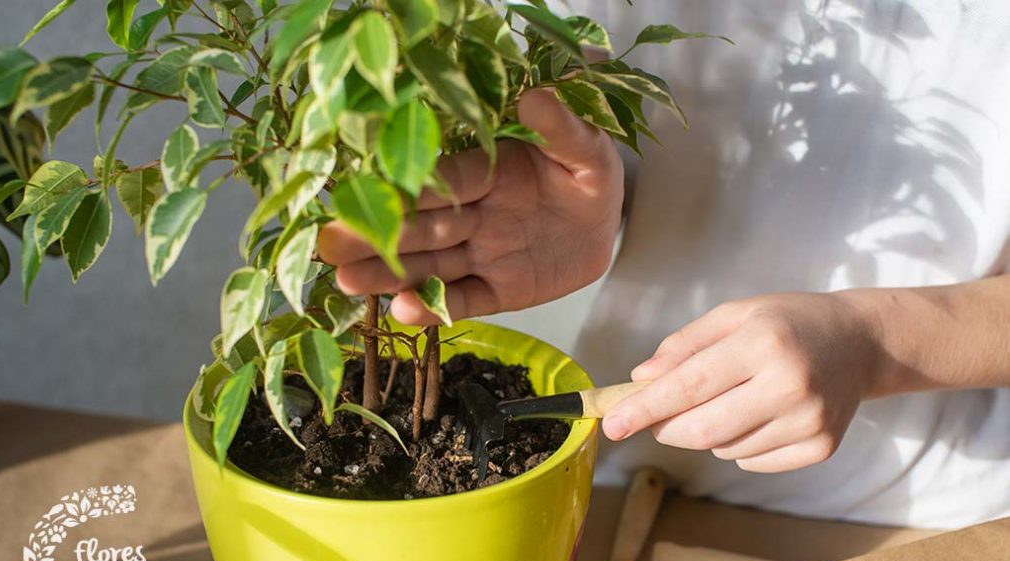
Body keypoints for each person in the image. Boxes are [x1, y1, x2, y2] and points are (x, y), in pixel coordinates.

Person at [317, 1, 1010, 530]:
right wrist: (599, 193)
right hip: (629, 482)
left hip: (919, 519)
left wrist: (873, 343)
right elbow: (578, 100)